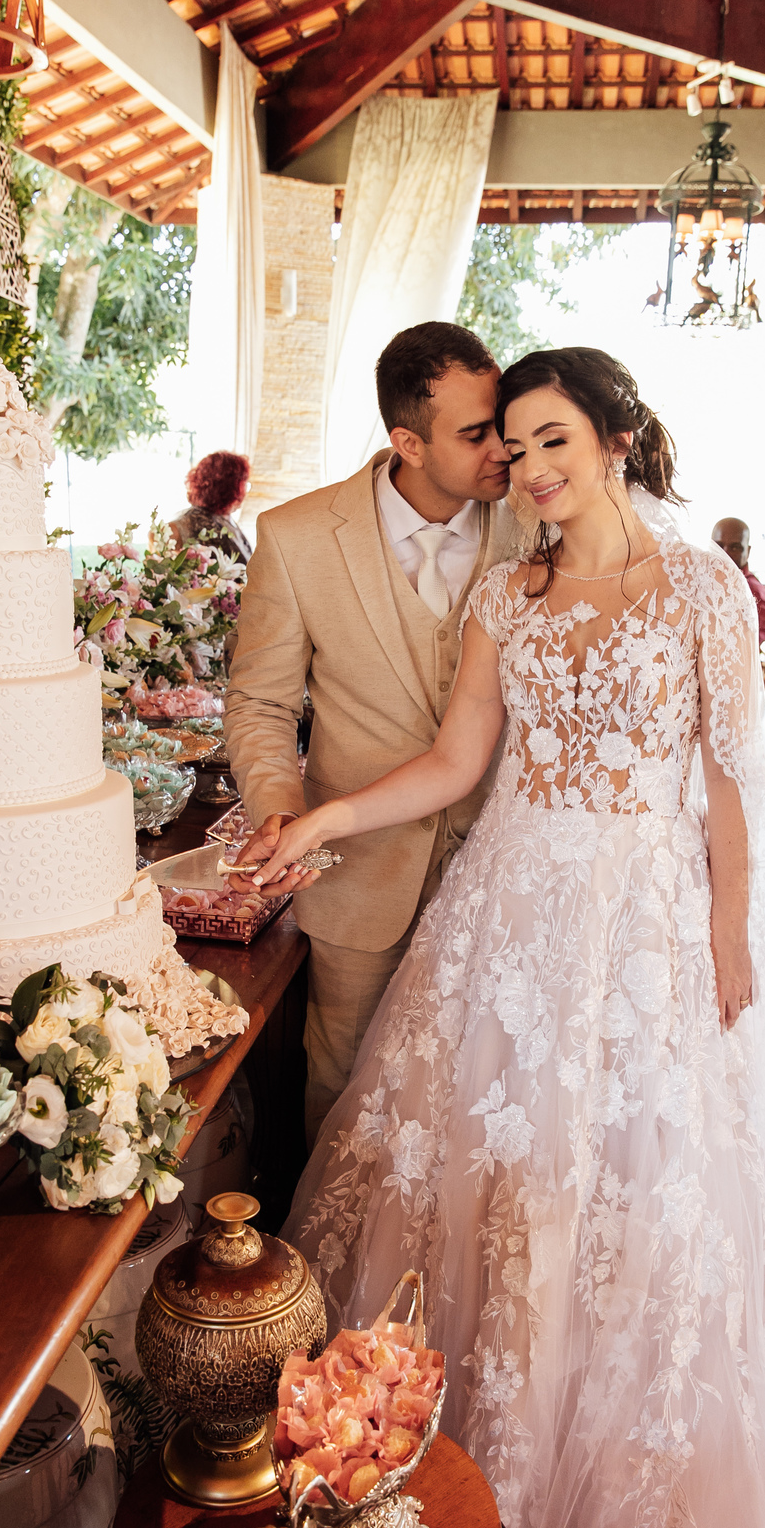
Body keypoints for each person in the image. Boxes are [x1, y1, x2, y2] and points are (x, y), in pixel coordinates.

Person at [260, 348, 765, 1528]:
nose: (525, 474)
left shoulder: (703, 585)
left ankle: (610, 1455)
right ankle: (445, 1459)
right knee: (488, 1178)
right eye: (511, 452)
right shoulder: (506, 592)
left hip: (641, 929)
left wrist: (726, 939)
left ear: (619, 439)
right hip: (508, 913)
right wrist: (328, 818)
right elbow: (461, 761)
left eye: (551, 445)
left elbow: (732, 785)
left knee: (642, 1191)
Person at [223, 323, 518, 1146]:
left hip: (504, 867)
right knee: (345, 1090)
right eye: (476, 433)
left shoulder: (536, 526)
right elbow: (260, 704)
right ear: (407, 441)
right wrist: (280, 809)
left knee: (487, 1090)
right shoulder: (297, 537)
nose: (504, 448)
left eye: (502, 423)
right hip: (358, 877)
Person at [170, 449, 253, 565]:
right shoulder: (191, 522)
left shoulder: (224, 518)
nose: (245, 491)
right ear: (231, 487)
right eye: (244, 484)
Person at [711, 515, 765, 644]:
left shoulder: (751, 589)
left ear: (748, 551)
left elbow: (751, 642)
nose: (725, 553)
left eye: (735, 547)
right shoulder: (698, 580)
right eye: (718, 546)